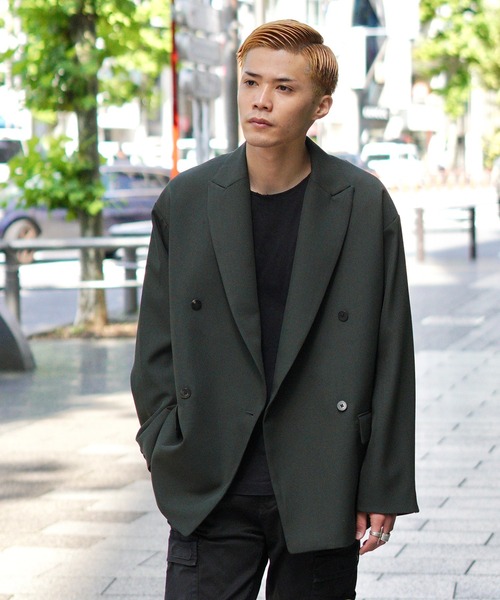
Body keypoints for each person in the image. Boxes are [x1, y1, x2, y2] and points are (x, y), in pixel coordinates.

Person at [131, 19, 418, 600]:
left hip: (323, 479)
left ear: (321, 105)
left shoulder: (362, 204)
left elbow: (392, 351)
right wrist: (165, 444)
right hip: (211, 477)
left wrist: (381, 482)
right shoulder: (187, 200)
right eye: (251, 82)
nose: (261, 100)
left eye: (284, 88)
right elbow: (155, 343)